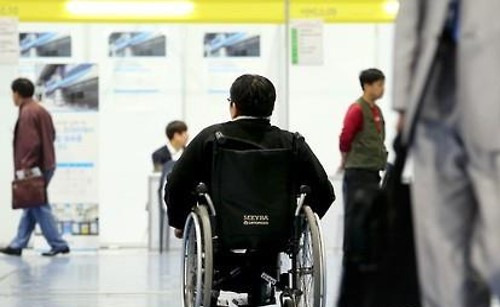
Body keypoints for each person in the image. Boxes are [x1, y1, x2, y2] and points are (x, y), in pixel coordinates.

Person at [394, 0, 500, 306]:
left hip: (491, 82)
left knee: (492, 248)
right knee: (441, 253)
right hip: (433, 86)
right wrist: (403, 96)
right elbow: (412, 9)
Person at [165, 74, 335, 239]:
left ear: (234, 106)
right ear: (272, 107)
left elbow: (176, 182)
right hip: (277, 231)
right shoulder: (291, 143)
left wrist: (180, 223)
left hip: (223, 230)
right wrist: (301, 226)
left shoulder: (211, 138)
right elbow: (324, 190)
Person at [0, 78, 69, 257]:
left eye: (12, 93)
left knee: (39, 206)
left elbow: (30, 144)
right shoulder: (40, 110)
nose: (12, 97)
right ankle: (18, 244)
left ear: (17, 93)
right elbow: (51, 135)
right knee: (31, 205)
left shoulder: (27, 113)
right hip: (46, 163)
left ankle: (58, 243)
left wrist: (26, 169)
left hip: (34, 167)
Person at [337, 68, 388, 307]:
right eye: (378, 84)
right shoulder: (357, 110)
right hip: (358, 171)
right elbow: (346, 137)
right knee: (355, 215)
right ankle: (352, 256)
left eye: (383, 84)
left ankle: (366, 253)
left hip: (372, 170)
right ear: (367, 86)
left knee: (370, 216)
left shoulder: (375, 111)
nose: (382, 89)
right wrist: (345, 161)